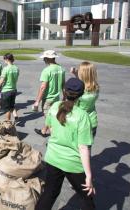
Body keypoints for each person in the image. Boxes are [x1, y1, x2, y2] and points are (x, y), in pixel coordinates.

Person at [35, 78, 95, 210]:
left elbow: (50, 128)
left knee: (50, 193)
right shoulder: (82, 116)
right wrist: (89, 175)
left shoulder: (55, 106)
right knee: (87, 197)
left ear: (64, 91)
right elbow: (83, 147)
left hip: (52, 158)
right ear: (81, 95)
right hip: (72, 163)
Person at [33, 50, 65, 137]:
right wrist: (64, 97)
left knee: (49, 119)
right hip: (56, 98)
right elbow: (63, 85)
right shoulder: (61, 69)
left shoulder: (47, 70)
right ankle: (43, 131)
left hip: (48, 98)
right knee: (52, 117)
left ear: (48, 58)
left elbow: (43, 87)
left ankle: (54, 140)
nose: (43, 60)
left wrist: (37, 101)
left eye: (44, 58)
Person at [71, 61, 99, 138]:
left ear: (82, 74)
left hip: (79, 122)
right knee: (87, 147)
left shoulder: (79, 91)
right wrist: (76, 74)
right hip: (92, 121)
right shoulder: (95, 87)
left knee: (77, 148)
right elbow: (84, 83)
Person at [0, 53, 19, 121]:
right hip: (14, 89)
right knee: (12, 105)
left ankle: (8, 122)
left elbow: (2, 80)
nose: (4, 61)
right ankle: (15, 115)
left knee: (7, 109)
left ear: (7, 59)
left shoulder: (6, 69)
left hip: (6, 90)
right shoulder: (16, 68)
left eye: (4, 59)